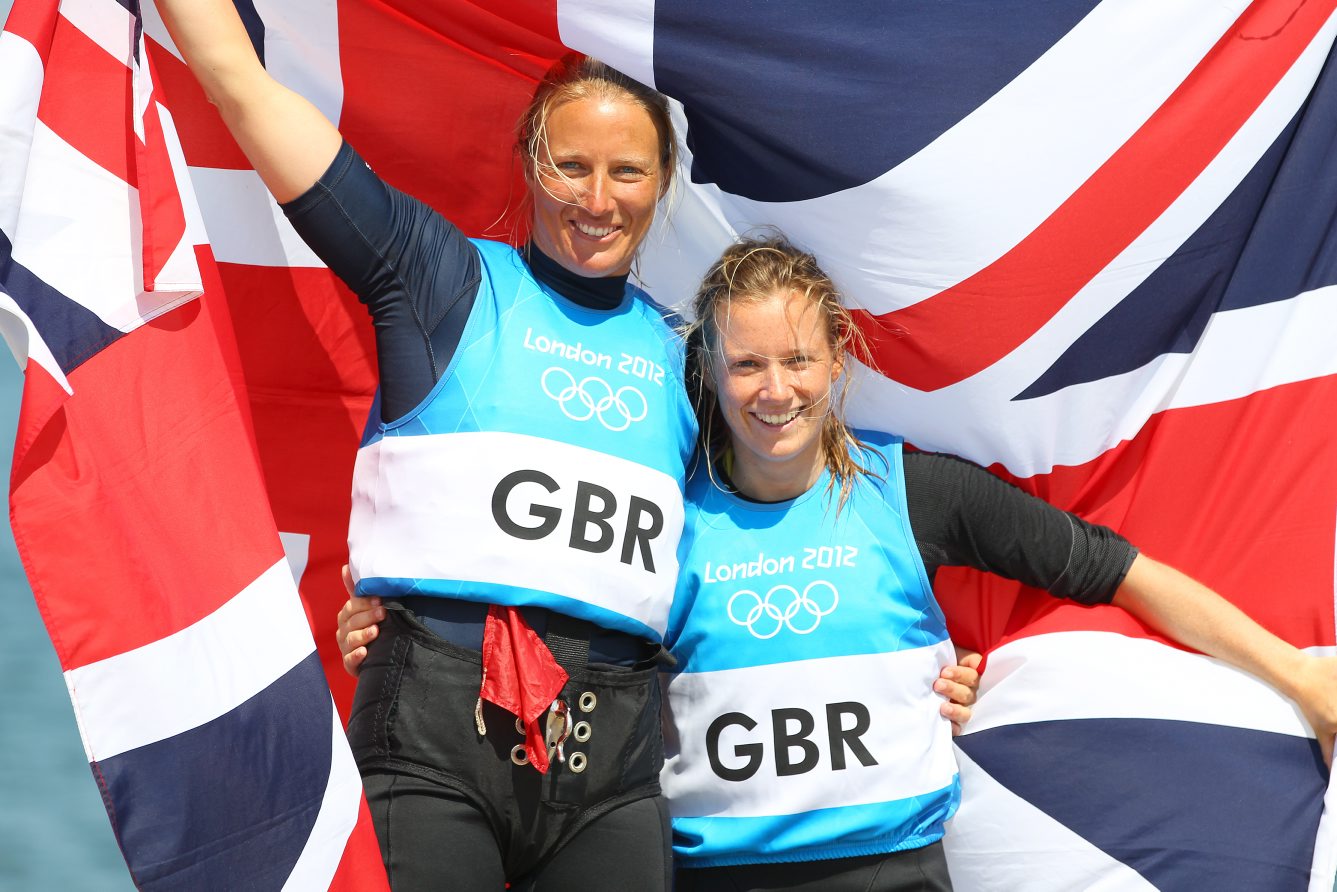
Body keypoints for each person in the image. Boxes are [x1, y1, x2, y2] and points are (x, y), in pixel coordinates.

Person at [154, 6, 979, 889]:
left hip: (612, 765)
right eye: (570, 166)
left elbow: (795, 507)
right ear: (529, 166)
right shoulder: (439, 279)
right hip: (434, 735)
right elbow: (245, 92)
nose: (596, 199)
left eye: (627, 171)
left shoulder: (689, 357)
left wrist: (915, 666)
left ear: (663, 184)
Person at [336, 235, 1337, 891]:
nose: (774, 390)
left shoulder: (915, 494)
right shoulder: (667, 517)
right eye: (745, 365)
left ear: (839, 359)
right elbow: (533, 610)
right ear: (709, 375)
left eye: (797, 360)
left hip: (891, 873)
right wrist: (392, 628)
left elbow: (1112, 569)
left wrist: (1294, 671)